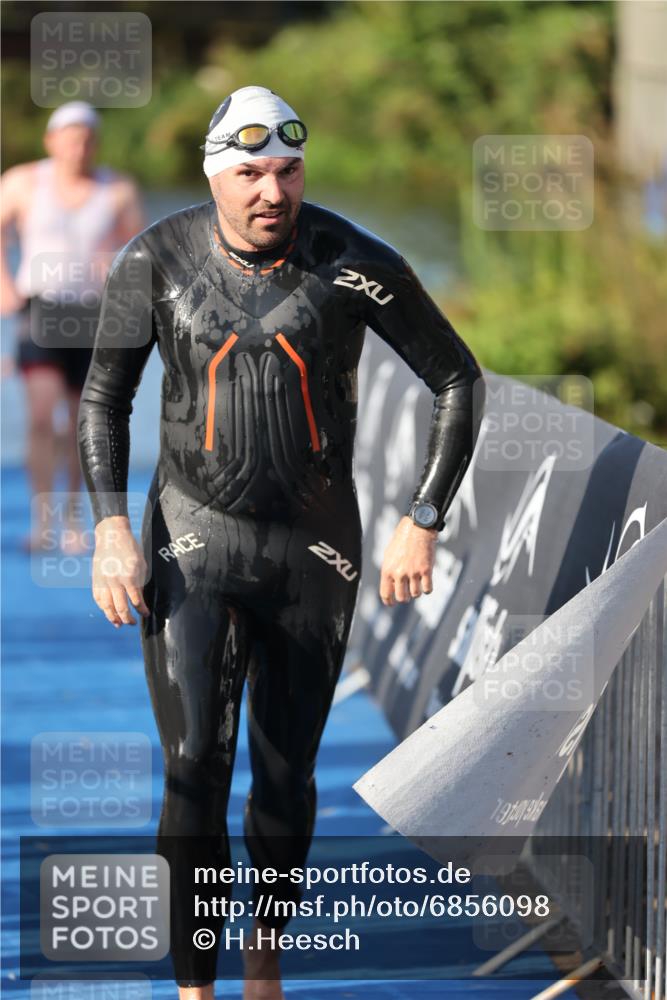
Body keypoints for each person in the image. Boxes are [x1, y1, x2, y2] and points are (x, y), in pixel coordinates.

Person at [77, 86, 485, 999]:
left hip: (316, 552)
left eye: (289, 171)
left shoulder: (348, 260)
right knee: (192, 771)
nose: (273, 191)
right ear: (215, 175)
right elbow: (104, 399)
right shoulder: (156, 258)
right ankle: (195, 989)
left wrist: (422, 519)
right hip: (189, 541)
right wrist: (109, 529)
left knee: (284, 772)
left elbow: (455, 377)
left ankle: (263, 958)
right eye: (251, 172)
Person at [0, 100, 144, 553]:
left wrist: (115, 270)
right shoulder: (24, 181)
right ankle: (42, 522)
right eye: (69, 137)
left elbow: (141, 250)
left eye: (86, 139)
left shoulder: (116, 188)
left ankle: (75, 520)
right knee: (43, 418)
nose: (78, 147)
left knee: (84, 422)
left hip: (92, 314)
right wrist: (4, 287)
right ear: (51, 141)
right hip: (41, 309)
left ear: (94, 143)